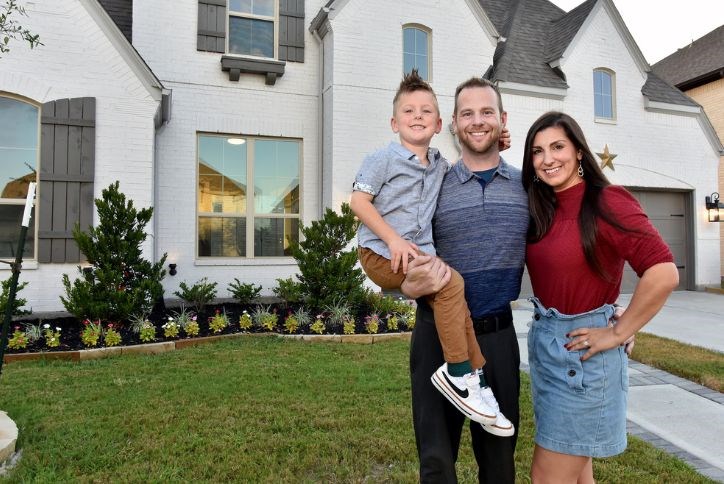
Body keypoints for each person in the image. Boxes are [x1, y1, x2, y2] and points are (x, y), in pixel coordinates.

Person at [350, 70, 513, 432]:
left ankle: (477, 378)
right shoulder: (383, 160)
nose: (418, 116)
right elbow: (359, 202)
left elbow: (468, 164)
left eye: (426, 111)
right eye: (408, 111)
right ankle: (458, 374)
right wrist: (392, 239)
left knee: (455, 299)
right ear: (394, 122)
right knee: (452, 285)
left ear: (441, 124)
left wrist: (495, 144)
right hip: (381, 252)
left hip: (417, 255)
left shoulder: (438, 164)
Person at [522, 111, 679, 483]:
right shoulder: (541, 206)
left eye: (558, 146)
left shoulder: (607, 201)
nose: (548, 159)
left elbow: (663, 272)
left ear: (579, 151)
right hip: (547, 349)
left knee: (548, 477)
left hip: (584, 359)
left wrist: (618, 330)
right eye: (537, 151)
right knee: (579, 475)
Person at [401, 77, 529, 483]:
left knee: (499, 463)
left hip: (497, 338)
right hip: (436, 336)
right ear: (453, 123)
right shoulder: (431, 184)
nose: (478, 121)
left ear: (502, 119)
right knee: (437, 462)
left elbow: (568, 247)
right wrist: (403, 286)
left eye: (486, 112)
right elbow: (394, 250)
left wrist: (606, 309)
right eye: (467, 113)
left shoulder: (529, 187)